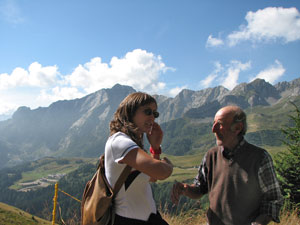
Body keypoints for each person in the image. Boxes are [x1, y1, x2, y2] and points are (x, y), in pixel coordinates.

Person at [171, 105, 283, 225]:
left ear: (238, 128)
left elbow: (273, 200)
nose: (213, 129)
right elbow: (200, 188)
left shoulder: (260, 158)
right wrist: (186, 189)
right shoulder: (210, 156)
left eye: (219, 124)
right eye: (213, 124)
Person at [105, 92, 173, 225]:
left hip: (148, 218)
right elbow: (161, 172)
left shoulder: (131, 144)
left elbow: (152, 177)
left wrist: (155, 147)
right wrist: (169, 165)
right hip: (129, 221)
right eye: (148, 112)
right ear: (130, 112)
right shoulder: (120, 142)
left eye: (155, 113)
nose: (153, 117)